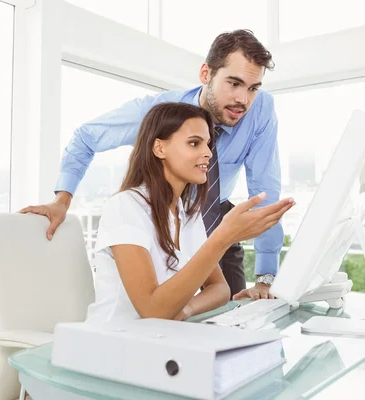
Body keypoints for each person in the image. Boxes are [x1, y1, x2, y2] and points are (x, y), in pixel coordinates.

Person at [21, 29, 283, 299]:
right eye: (234, 83)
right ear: (206, 74)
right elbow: (87, 137)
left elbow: (264, 193)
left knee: (234, 318)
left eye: (253, 88)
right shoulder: (161, 114)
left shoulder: (260, 109)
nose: (243, 100)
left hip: (214, 220)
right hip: (161, 220)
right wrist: (62, 200)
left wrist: (265, 278)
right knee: (157, 306)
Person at [81, 102, 294, 322]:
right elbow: (152, 310)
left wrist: (186, 309)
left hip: (161, 337)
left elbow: (220, 288)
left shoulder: (187, 213)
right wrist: (224, 236)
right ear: (159, 148)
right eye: (194, 143)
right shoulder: (125, 206)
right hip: (114, 341)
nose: (208, 153)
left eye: (208, 144)